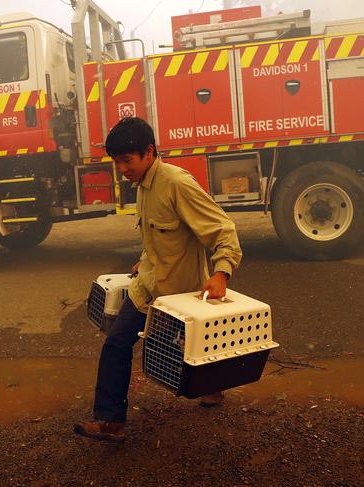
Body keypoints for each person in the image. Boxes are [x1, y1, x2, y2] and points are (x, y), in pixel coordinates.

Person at [74, 117, 242, 442]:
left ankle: (212, 388)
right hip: (148, 287)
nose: (123, 168)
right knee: (117, 343)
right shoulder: (141, 185)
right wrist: (145, 259)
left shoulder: (176, 183)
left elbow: (223, 230)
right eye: (117, 162)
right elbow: (157, 234)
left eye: (127, 160)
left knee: (186, 347)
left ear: (149, 152)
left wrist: (221, 272)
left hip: (180, 293)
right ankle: (111, 421)